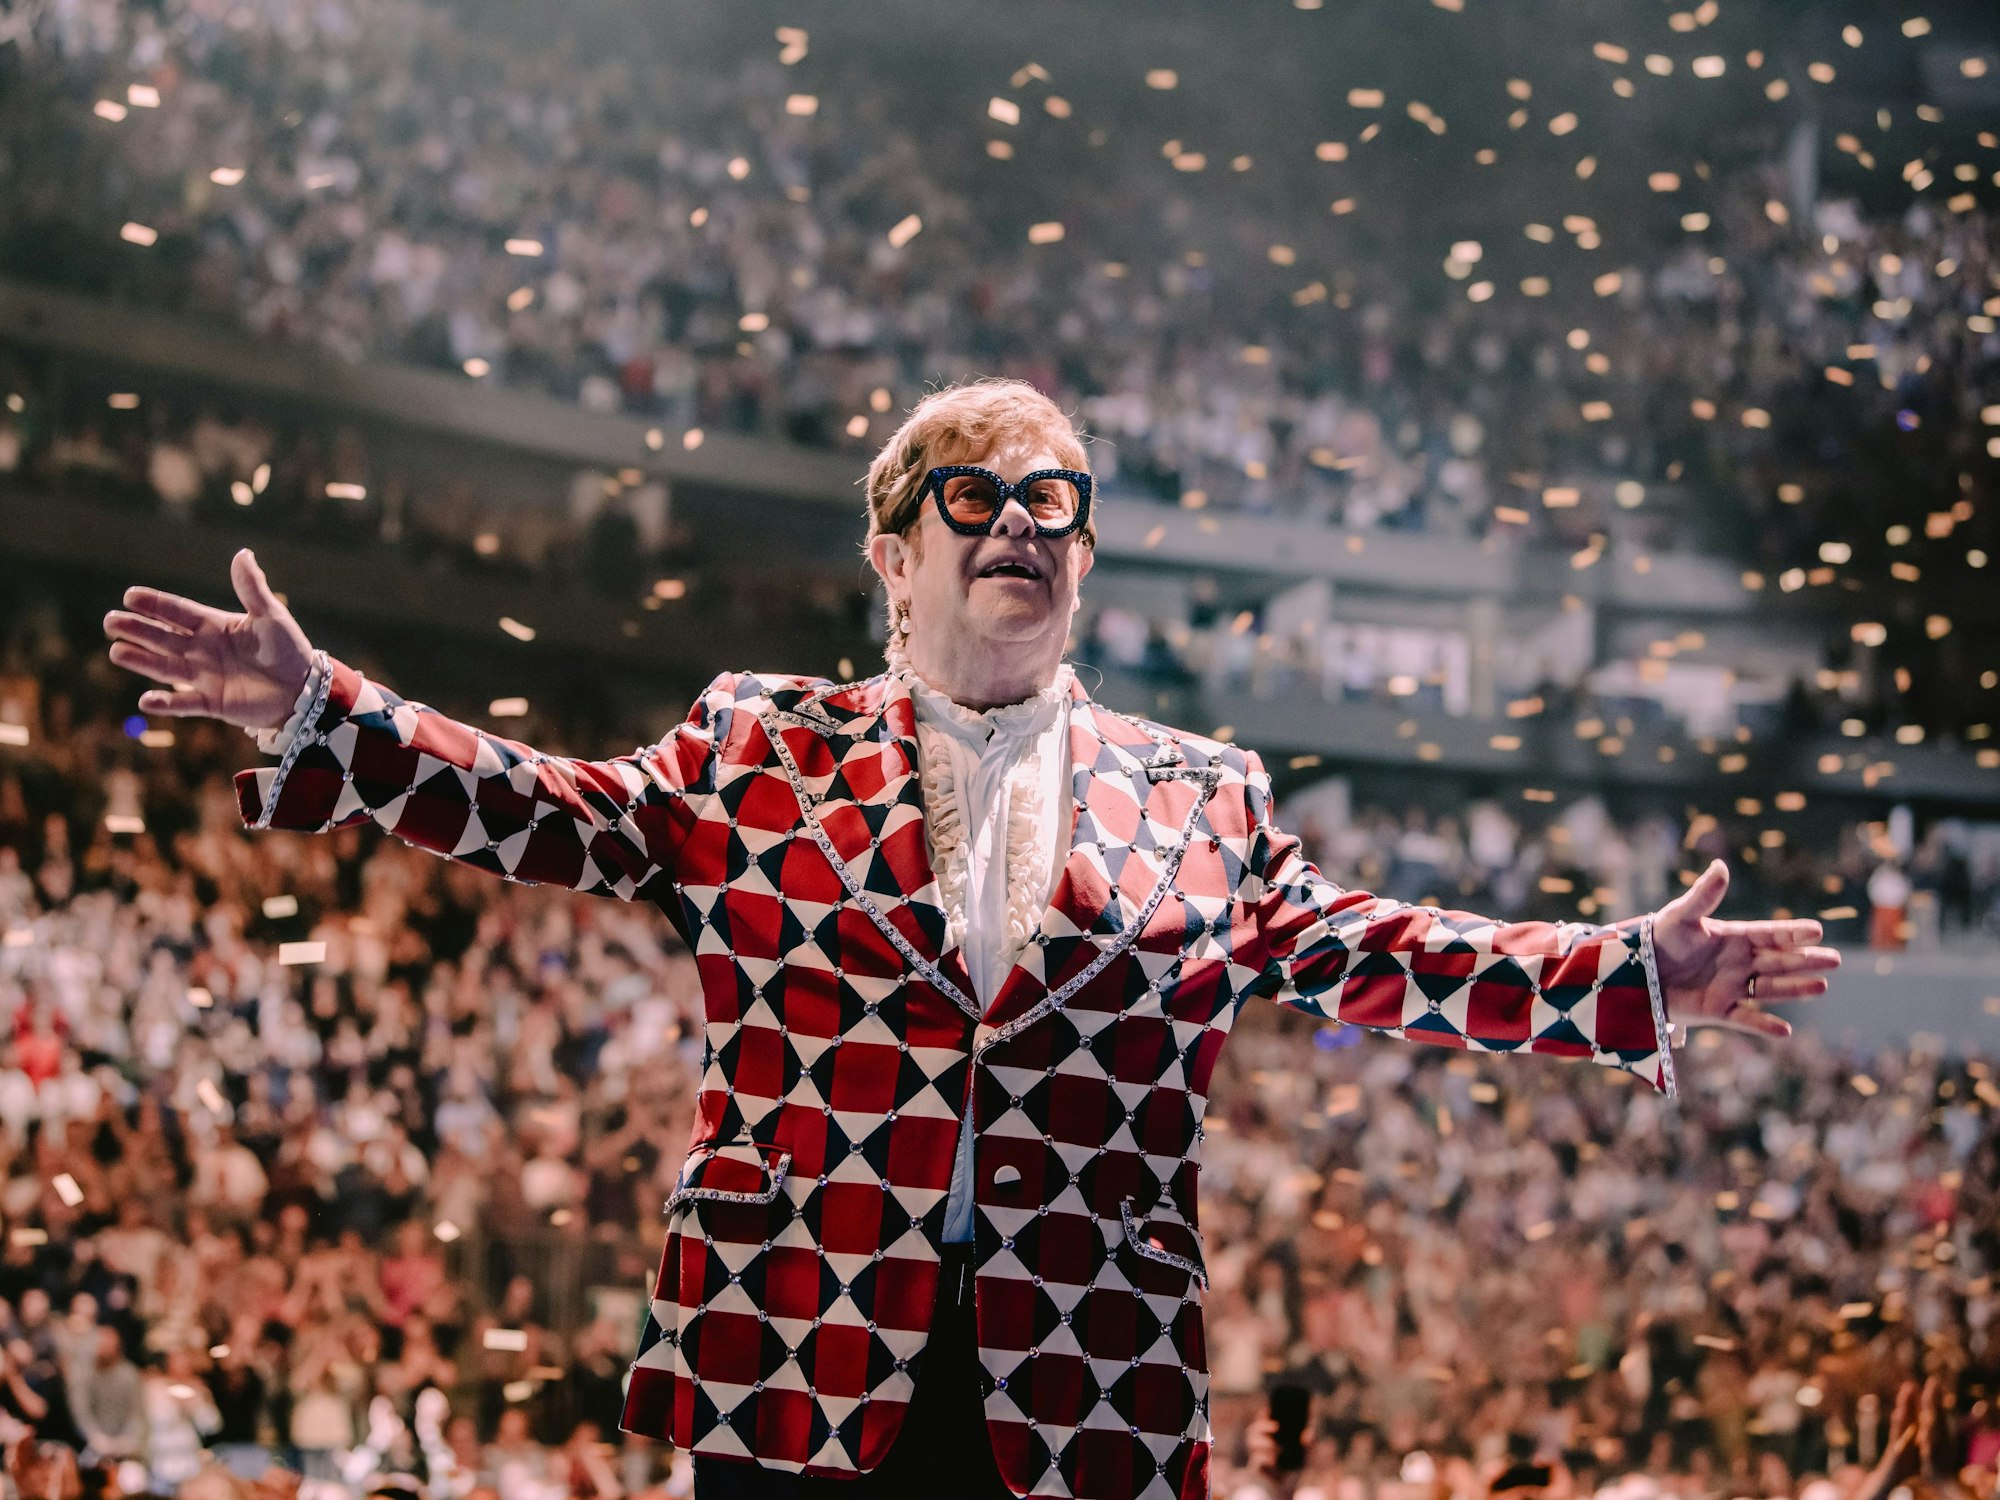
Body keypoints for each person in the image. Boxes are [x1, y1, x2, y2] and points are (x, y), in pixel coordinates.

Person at [103, 379, 1842, 1500]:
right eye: (975, 493)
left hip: (1082, 1379)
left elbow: (1376, 952)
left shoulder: (1201, 795)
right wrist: (325, 714)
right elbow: (551, 806)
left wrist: (1632, 976)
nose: (1023, 519)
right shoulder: (756, 742)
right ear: (891, 546)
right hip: (800, 1341)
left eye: (1058, 497)